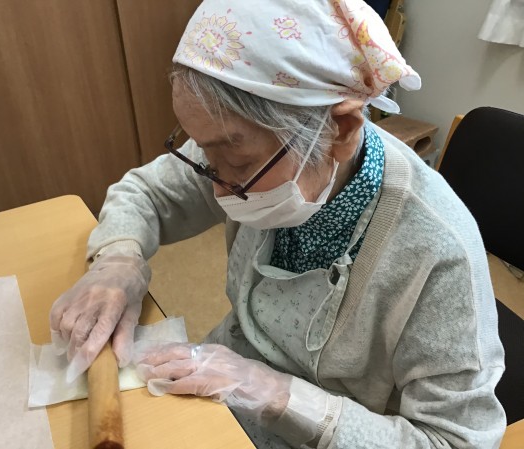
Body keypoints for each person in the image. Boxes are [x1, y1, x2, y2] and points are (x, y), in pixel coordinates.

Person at [50, 1, 506, 447]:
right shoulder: (241, 148)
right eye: (206, 154)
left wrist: (276, 394)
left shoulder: (436, 253)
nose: (218, 188)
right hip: (220, 385)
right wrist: (118, 261)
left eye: (236, 163)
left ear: (341, 131)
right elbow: (146, 192)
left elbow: (455, 440)